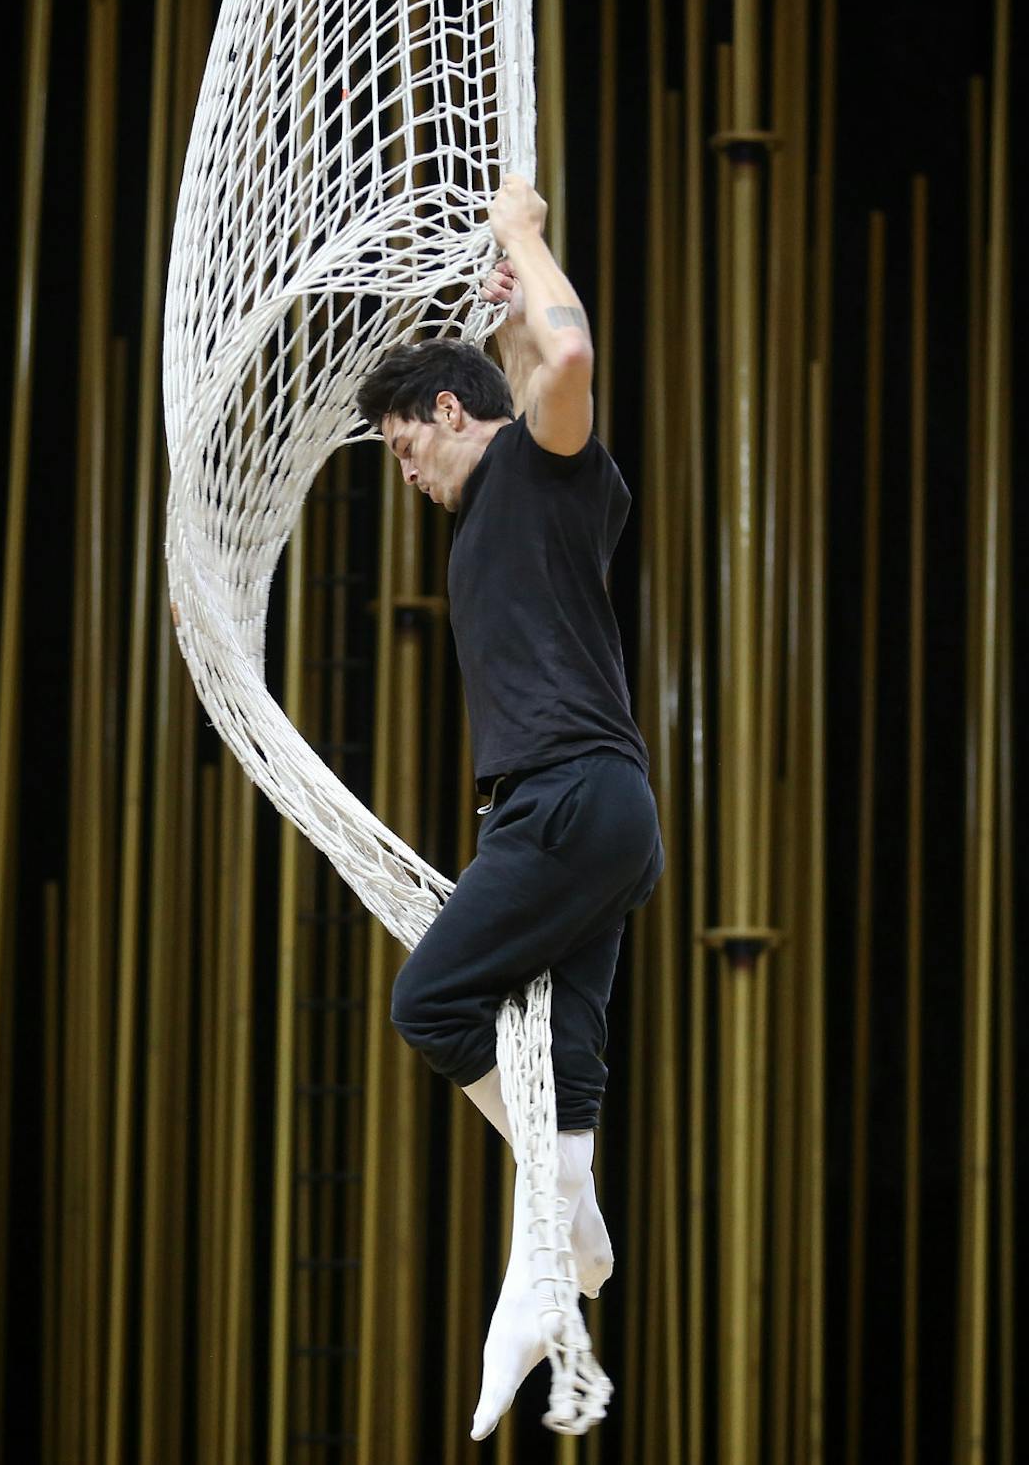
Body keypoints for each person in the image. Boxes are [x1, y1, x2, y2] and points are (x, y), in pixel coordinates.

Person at [354, 174, 661, 1440]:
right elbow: (540, 347)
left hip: (569, 801)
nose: (404, 472)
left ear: (446, 412)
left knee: (430, 1002)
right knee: (568, 1055)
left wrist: (525, 239)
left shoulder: (543, 472)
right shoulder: (502, 509)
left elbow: (572, 349)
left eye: (402, 444)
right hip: (594, 817)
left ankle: (555, 1218)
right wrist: (506, 316)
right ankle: (554, 1267)